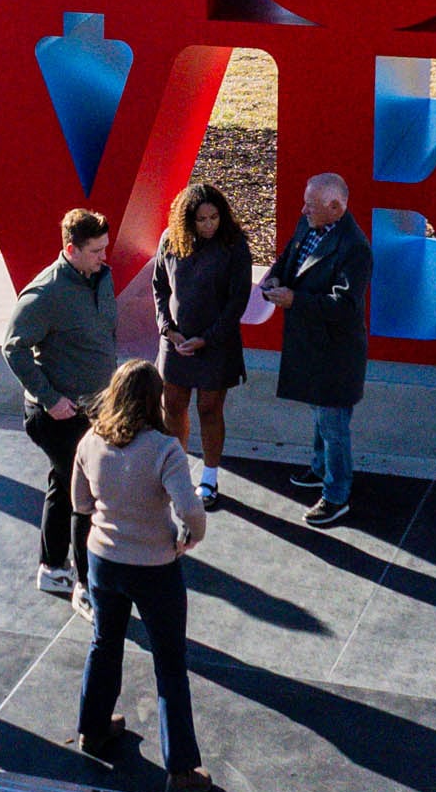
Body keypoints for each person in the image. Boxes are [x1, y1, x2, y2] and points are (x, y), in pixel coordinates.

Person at [69, 359, 216, 792]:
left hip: (103, 562)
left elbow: (80, 505)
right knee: (169, 663)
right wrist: (188, 538)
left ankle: (92, 730)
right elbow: (190, 511)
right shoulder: (165, 449)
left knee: (104, 642)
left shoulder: (91, 440)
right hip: (154, 567)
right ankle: (183, 770)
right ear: (155, 401)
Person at [5, 207, 119, 596]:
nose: (105, 256)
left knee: (65, 483)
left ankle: (53, 566)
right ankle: (85, 582)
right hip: (58, 414)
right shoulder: (45, 293)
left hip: (95, 408)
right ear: (71, 249)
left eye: (106, 248)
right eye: (96, 250)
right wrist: (51, 399)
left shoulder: (101, 277)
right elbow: (13, 349)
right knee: (81, 490)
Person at [261, 173, 371, 528]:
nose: (303, 208)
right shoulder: (309, 223)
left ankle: (336, 495)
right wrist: (276, 279)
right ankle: (320, 467)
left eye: (311, 203)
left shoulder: (354, 248)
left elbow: (345, 305)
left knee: (333, 423)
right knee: (321, 414)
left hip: (335, 355)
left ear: (335, 207)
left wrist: (295, 299)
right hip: (312, 347)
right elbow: (289, 256)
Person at [150, 180, 254, 508]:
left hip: (216, 344)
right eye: (202, 219)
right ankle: (176, 474)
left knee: (209, 409)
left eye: (214, 217)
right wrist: (168, 330)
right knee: (173, 407)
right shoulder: (170, 241)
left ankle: (209, 478)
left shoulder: (233, 245)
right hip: (176, 344)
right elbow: (159, 288)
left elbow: (238, 300)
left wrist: (206, 338)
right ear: (187, 221)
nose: (209, 225)